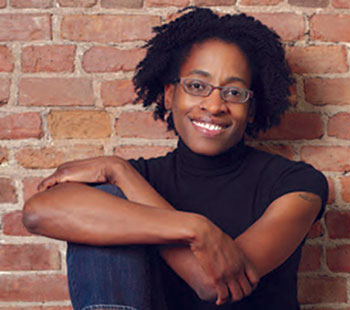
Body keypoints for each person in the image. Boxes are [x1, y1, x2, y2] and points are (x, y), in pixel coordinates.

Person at [22, 7, 328, 310]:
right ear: (170, 95)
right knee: (104, 205)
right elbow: (38, 212)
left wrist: (120, 173)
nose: (214, 105)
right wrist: (194, 228)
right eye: (197, 86)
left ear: (251, 110)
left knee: (112, 203)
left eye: (234, 92)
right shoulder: (138, 177)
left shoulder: (296, 184)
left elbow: (210, 284)